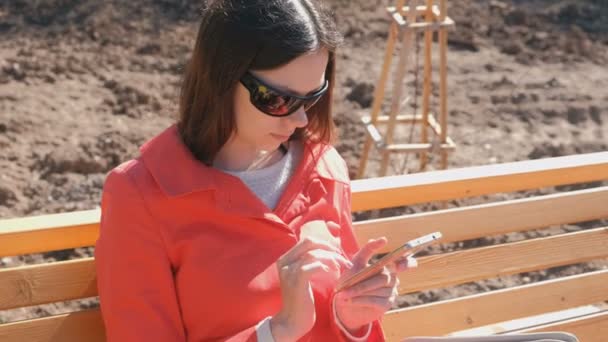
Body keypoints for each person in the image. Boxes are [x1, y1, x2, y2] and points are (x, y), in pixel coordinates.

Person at [95, 1, 416, 341]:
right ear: (221, 76)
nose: (301, 119)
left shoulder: (325, 166)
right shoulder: (141, 193)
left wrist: (351, 319)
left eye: (312, 97)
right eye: (278, 100)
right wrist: (276, 332)